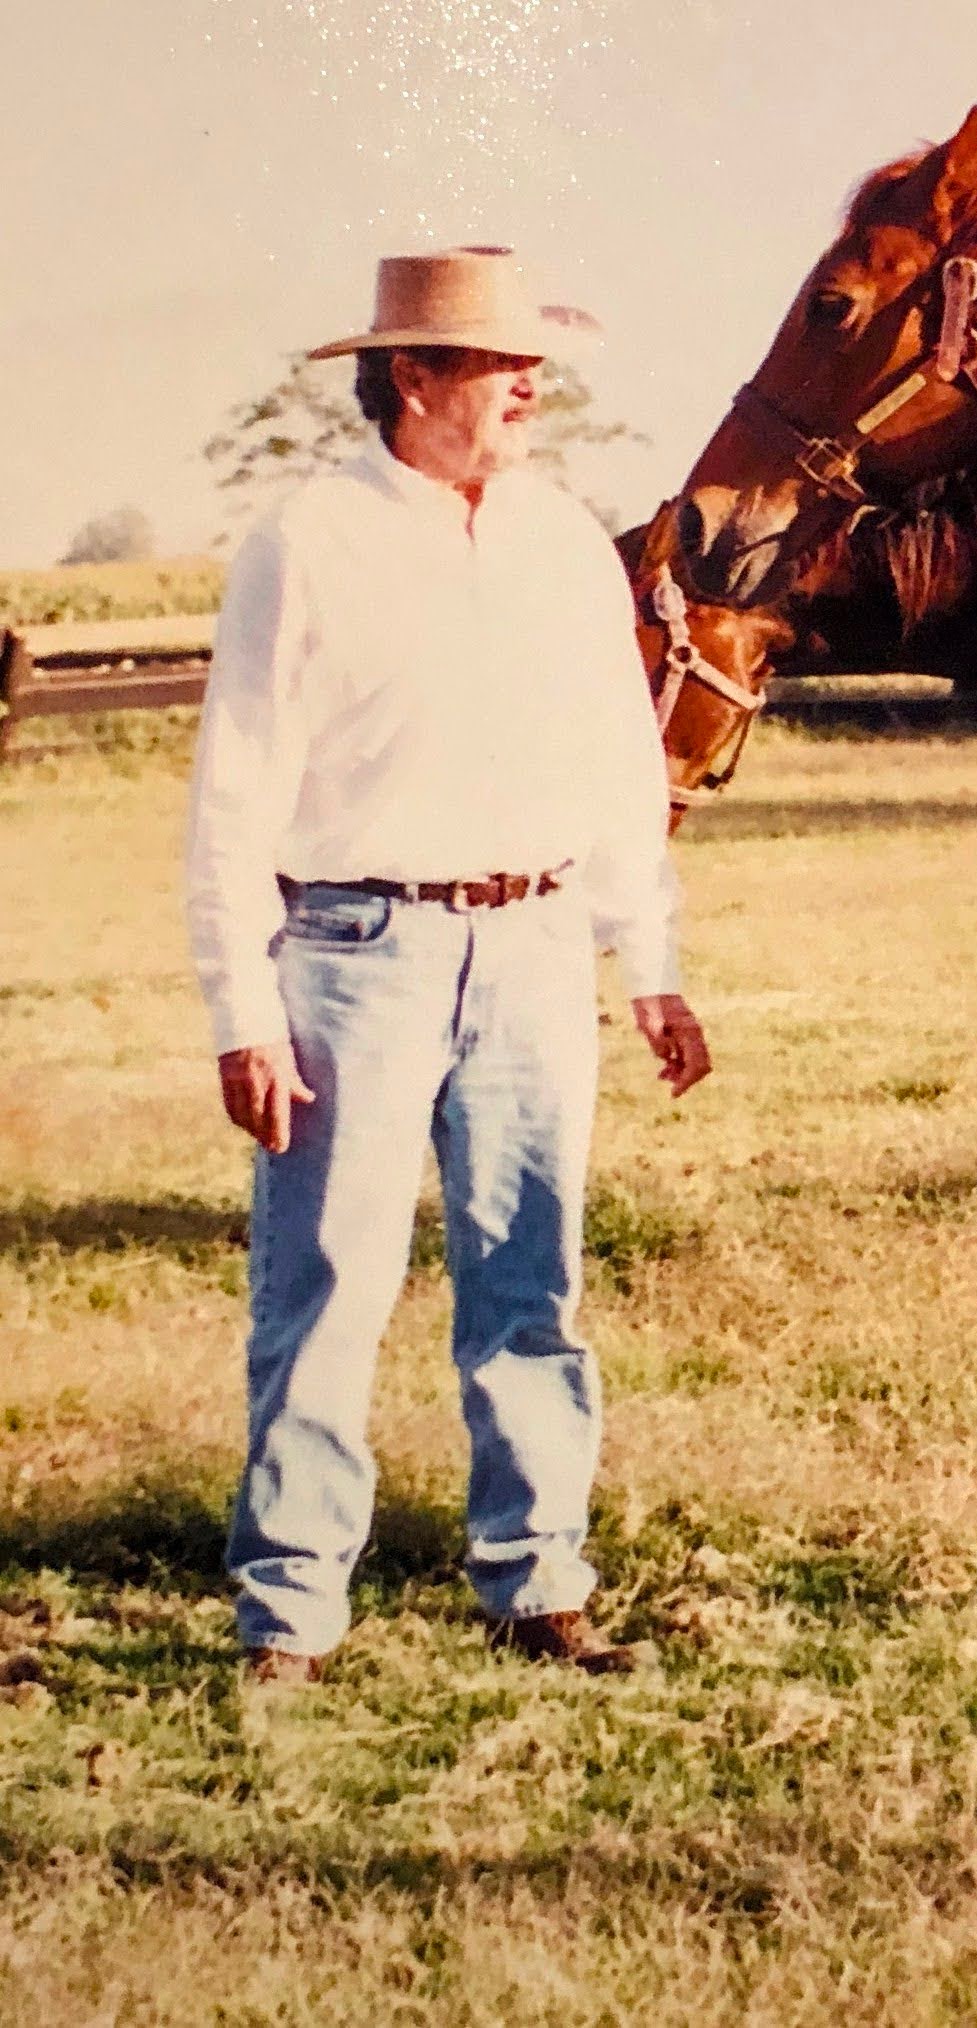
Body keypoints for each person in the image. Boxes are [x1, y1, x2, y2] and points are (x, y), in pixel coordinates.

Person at [185, 248, 710, 1684]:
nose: (530, 384)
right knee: (328, 1287)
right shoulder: (309, 539)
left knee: (529, 1276)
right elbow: (235, 789)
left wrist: (645, 959)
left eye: (534, 360)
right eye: (497, 363)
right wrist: (244, 1009)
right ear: (412, 377)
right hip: (356, 951)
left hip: (535, 946)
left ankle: (539, 1583)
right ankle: (289, 1612)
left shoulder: (561, 538)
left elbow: (617, 759)